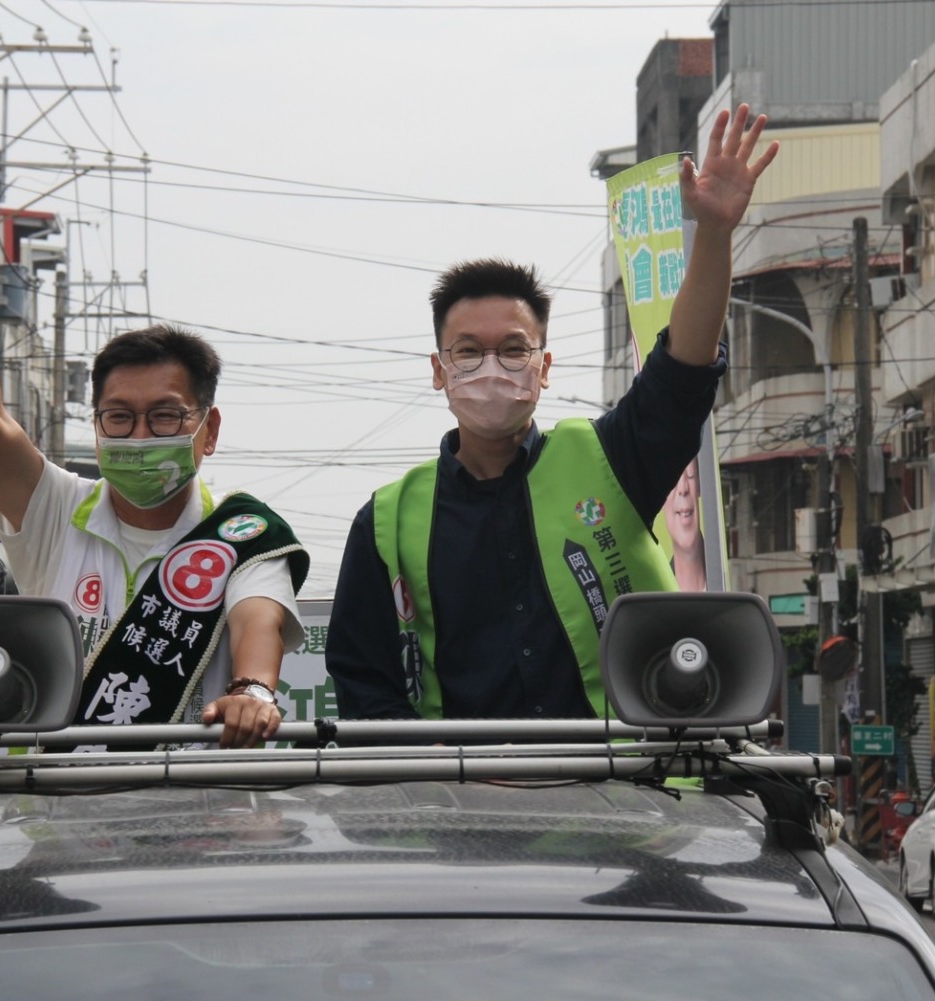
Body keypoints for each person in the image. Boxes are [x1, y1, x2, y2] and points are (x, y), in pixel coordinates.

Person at [326, 104, 776, 721]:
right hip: (464, 806)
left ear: (544, 367)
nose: (492, 367)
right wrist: (452, 767)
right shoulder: (385, 522)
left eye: (513, 349)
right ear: (438, 370)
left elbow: (683, 372)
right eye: (468, 351)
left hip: (629, 799)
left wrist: (716, 234)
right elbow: (364, 684)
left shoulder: (610, 459)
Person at [0, 173, 308, 748]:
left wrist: (251, 691)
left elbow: (257, 622)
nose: (140, 435)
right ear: (94, 425)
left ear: (208, 428)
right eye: (119, 417)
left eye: (165, 417)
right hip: (63, 819)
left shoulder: (244, 536)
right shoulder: (52, 510)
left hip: (197, 820)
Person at [665, 458, 707, 592]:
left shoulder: (725, 576)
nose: (683, 488)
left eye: (690, 475)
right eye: (672, 476)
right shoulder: (650, 597)